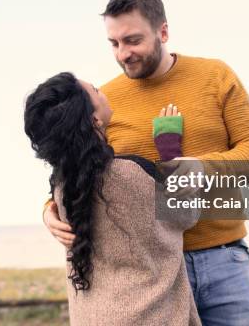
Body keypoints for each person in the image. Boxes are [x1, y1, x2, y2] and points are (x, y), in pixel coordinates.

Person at [43, 0, 249, 325]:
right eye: (114, 43)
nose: (123, 54)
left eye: (133, 40)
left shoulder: (215, 76)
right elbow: (77, 167)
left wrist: (201, 167)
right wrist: (50, 209)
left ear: (163, 31)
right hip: (149, 278)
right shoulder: (101, 101)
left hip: (223, 263)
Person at [24, 72, 202, 325]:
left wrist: (46, 210)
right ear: (95, 119)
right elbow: (186, 214)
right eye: (96, 90)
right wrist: (170, 150)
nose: (103, 91)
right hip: (147, 316)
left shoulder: (62, 187)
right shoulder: (128, 174)